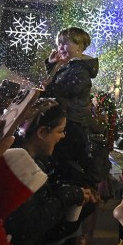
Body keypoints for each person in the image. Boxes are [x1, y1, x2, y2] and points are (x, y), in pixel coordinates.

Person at [3, 100, 93, 245]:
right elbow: (30, 227)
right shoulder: (21, 166)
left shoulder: (31, 160)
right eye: (60, 131)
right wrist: (67, 196)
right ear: (42, 133)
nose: (63, 136)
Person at [44, 26, 100, 187]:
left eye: (65, 43)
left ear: (79, 46)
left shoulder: (80, 70)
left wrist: (49, 81)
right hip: (66, 123)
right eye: (59, 43)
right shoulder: (69, 66)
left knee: (66, 169)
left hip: (72, 127)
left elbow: (61, 90)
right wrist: (52, 65)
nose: (60, 47)